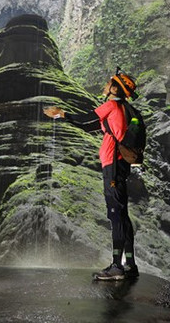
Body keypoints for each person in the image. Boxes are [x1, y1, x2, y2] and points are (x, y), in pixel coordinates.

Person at [44, 70, 139, 280]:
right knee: (122, 212)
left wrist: (62, 113)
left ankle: (116, 267)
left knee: (115, 213)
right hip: (120, 165)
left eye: (108, 84)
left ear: (115, 89)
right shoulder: (124, 109)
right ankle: (130, 263)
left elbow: (86, 117)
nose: (105, 86)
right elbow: (88, 126)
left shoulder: (111, 105)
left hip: (112, 164)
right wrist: (64, 117)